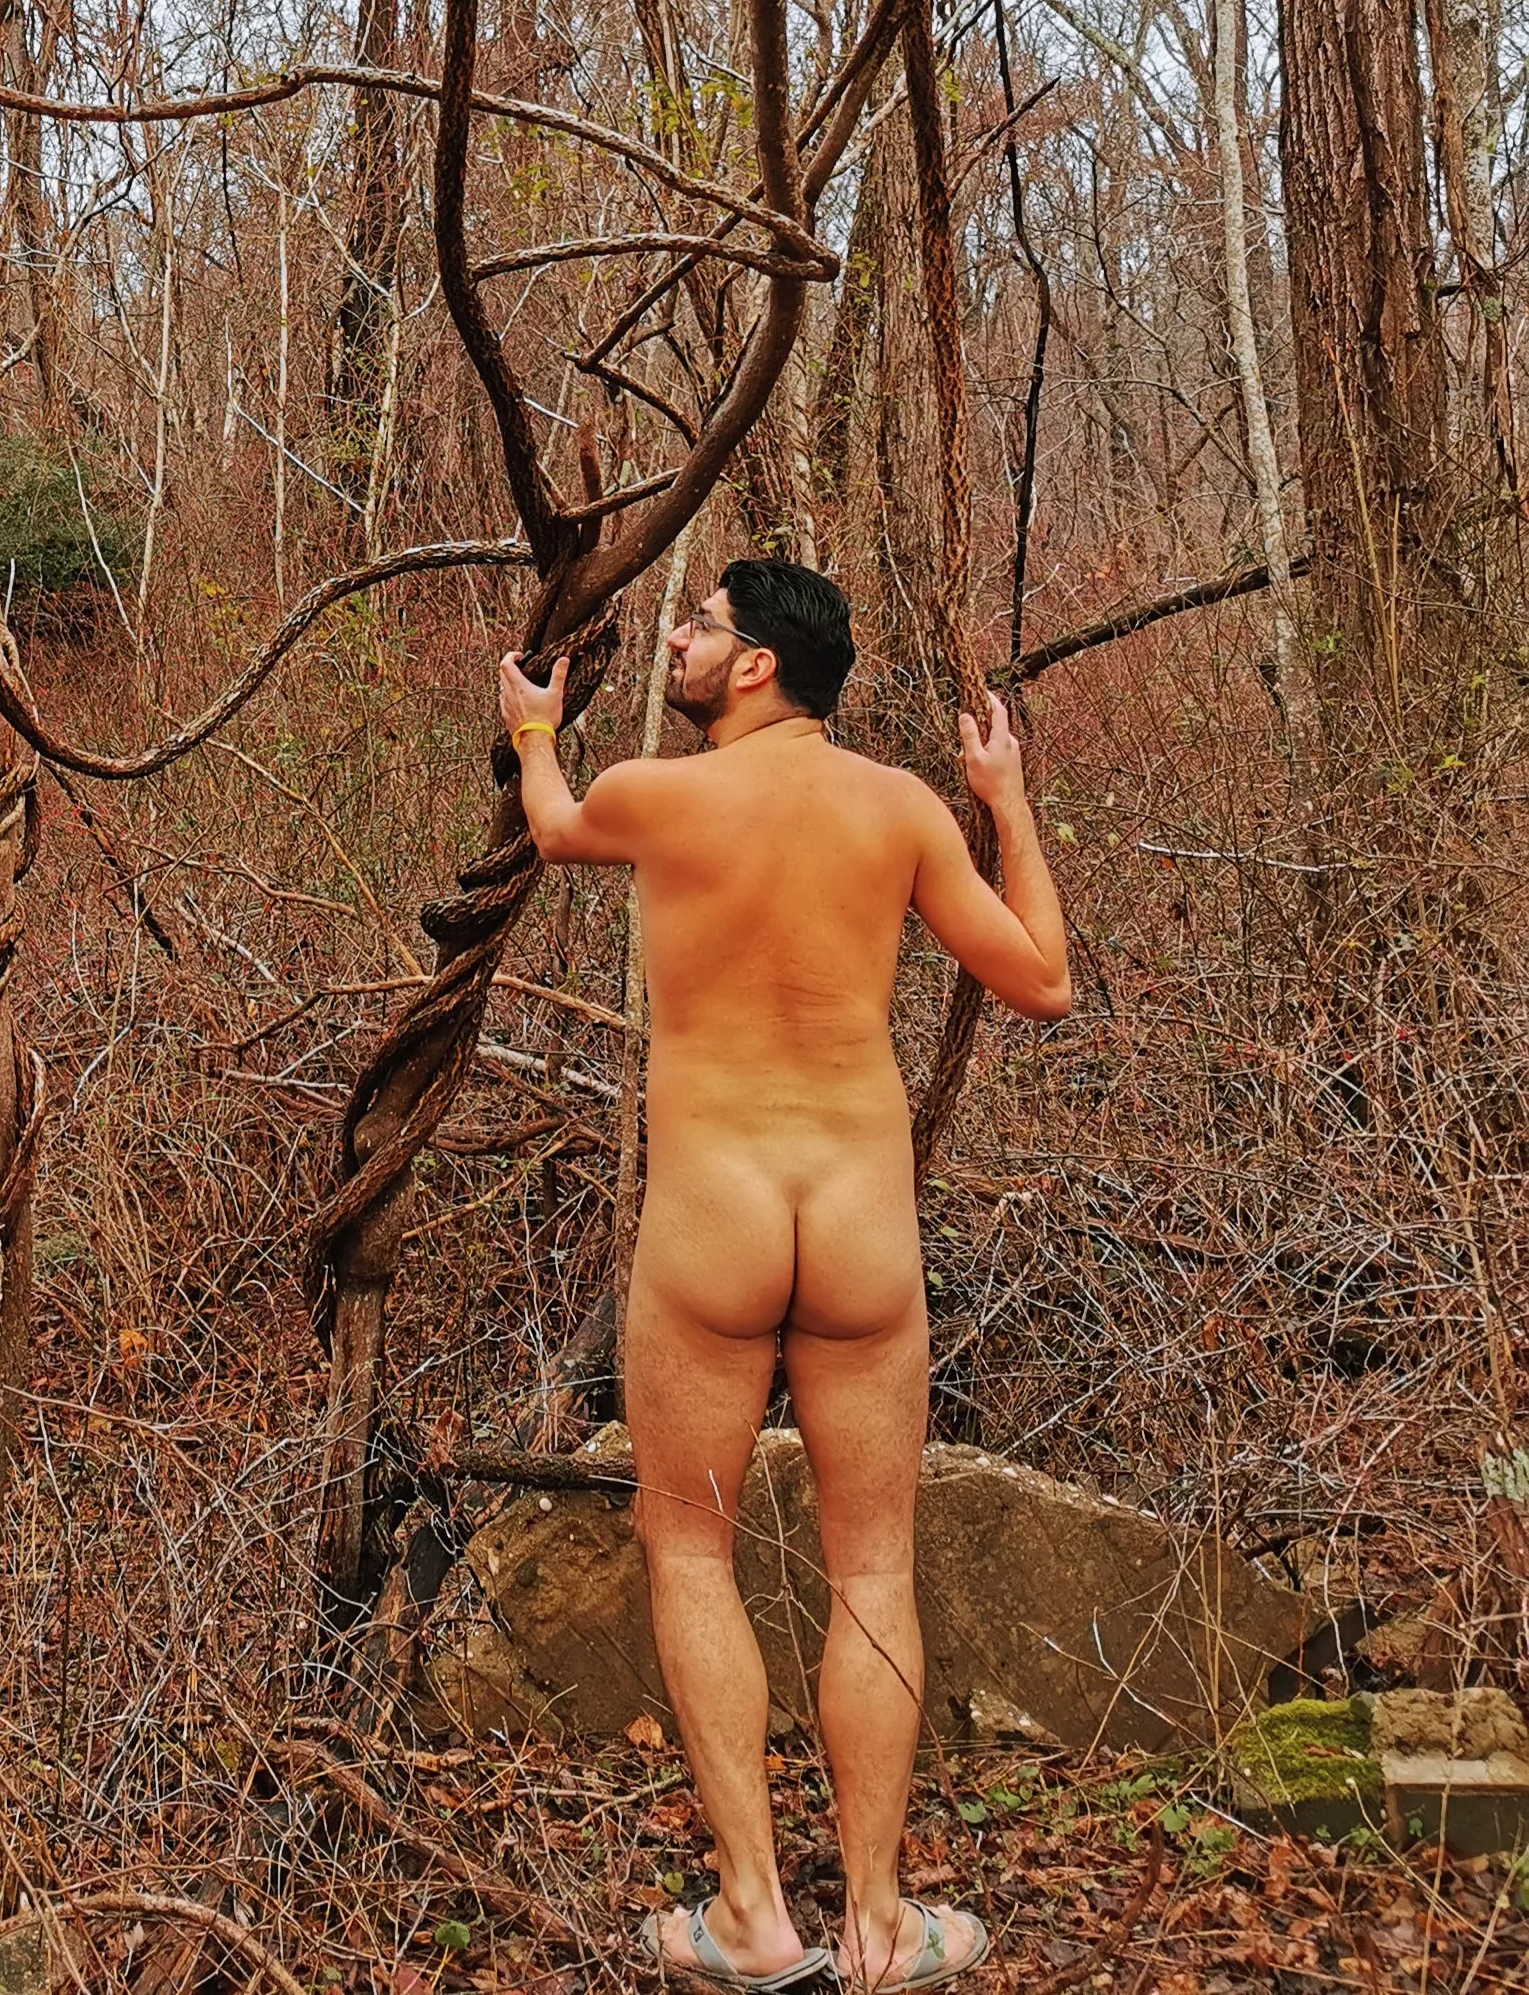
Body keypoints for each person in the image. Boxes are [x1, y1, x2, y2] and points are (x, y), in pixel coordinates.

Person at [497, 561, 1071, 1992]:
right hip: (863, 1224)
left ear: (755, 669)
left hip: (714, 1221)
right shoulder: (903, 807)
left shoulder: (657, 795)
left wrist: (529, 732)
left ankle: (752, 1914)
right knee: (871, 1561)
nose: (679, 643)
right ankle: (881, 1923)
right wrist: (1003, 795)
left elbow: (556, 829)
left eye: (699, 630)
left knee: (691, 1548)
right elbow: (1044, 980)